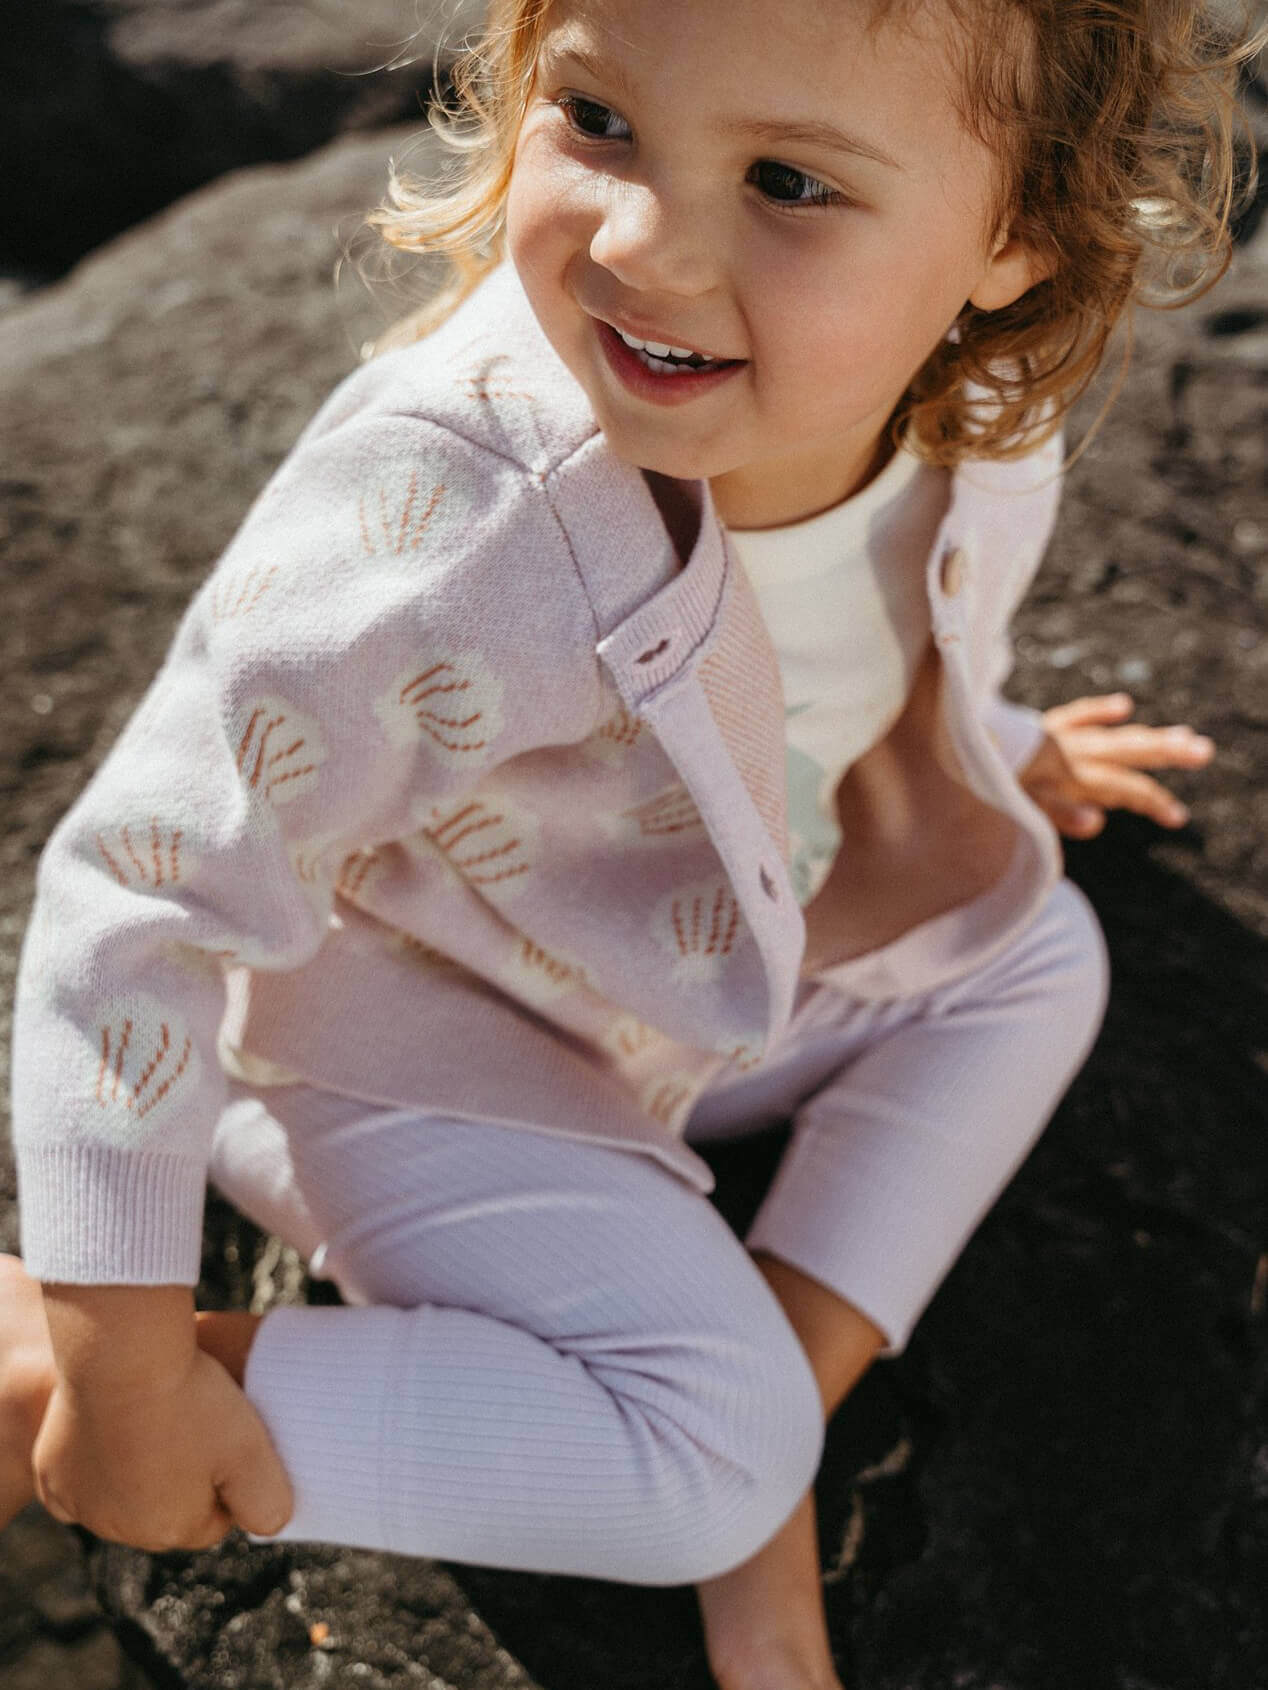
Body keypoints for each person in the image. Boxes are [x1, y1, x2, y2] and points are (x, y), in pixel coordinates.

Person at [2, 1, 1255, 1686]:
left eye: (791, 181)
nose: (643, 247)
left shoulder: (976, 415)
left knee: (1037, 948)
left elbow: (836, 655)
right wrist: (122, 1361)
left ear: (1015, 233)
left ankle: (769, 1429)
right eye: (595, 119)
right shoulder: (459, 518)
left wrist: (992, 741)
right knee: (703, 1458)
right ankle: (51, 1369)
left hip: (688, 981)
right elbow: (138, 886)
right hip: (413, 1048)